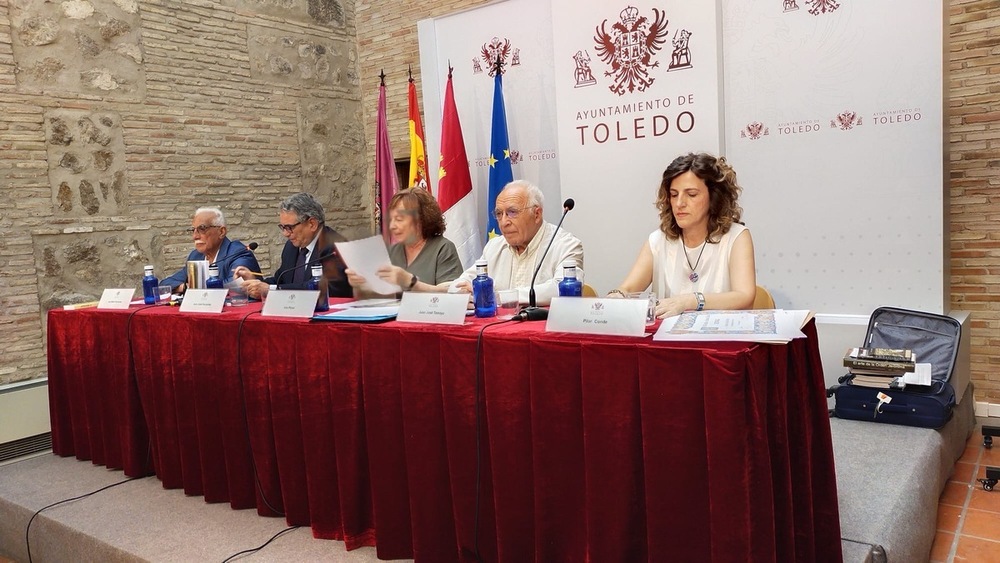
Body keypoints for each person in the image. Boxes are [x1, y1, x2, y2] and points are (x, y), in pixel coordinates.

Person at [609, 152, 756, 318]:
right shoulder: (658, 240)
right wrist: (616, 296)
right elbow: (628, 289)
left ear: (714, 197)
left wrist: (688, 301)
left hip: (718, 339)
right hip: (668, 341)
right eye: (673, 195)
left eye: (691, 194)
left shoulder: (736, 237)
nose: (679, 203)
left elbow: (745, 297)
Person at [454, 180, 584, 306]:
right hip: (498, 326)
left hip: (544, 326)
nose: (504, 222)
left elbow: (560, 289)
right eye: (499, 214)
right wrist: (465, 294)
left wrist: (497, 296)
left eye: (512, 212)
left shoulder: (566, 245)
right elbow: (460, 284)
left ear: (537, 214)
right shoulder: (494, 247)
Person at [346, 187, 464, 296]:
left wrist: (410, 282)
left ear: (421, 220)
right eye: (390, 220)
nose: (392, 226)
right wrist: (361, 284)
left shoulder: (443, 248)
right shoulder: (391, 251)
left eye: (399, 219)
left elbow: (453, 292)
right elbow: (378, 297)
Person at [233, 192, 350, 299]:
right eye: (283, 227)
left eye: (289, 228)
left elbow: (324, 289)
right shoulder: (291, 247)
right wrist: (254, 282)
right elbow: (281, 280)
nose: (285, 234)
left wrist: (270, 291)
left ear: (312, 224)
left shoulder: (336, 248)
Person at [160, 207, 261, 293]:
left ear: (221, 232)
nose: (195, 236)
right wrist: (185, 287)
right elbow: (165, 284)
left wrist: (195, 287)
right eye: (193, 230)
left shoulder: (238, 253)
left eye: (202, 229)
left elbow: (236, 284)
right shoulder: (196, 256)